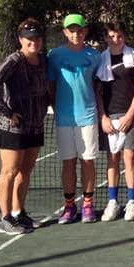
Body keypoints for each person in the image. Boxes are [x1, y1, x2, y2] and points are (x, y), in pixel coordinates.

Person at [0, 18, 48, 235]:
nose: (33, 42)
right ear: (21, 40)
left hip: (35, 126)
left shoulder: (43, 60)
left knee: (25, 171)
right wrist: (7, 112)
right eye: (29, 39)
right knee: (9, 171)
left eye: (37, 38)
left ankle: (19, 212)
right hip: (13, 127)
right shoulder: (14, 61)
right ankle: (5, 219)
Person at [47, 13, 101, 224]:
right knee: (68, 163)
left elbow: (98, 85)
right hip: (64, 119)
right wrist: (57, 108)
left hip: (88, 116)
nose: (76, 34)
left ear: (85, 31)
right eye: (71, 30)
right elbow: (51, 86)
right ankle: (69, 206)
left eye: (79, 30)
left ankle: (88, 205)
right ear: (65, 32)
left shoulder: (95, 55)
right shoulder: (54, 55)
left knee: (87, 161)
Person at [95, 21, 134, 222]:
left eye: (119, 36)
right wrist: (103, 117)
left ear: (124, 37)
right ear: (106, 38)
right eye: (111, 36)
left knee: (130, 157)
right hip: (109, 117)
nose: (115, 40)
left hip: (130, 115)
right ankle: (113, 202)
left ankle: (132, 201)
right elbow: (98, 94)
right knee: (112, 159)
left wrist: (130, 115)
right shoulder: (101, 60)